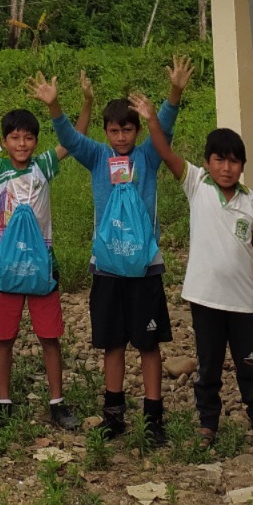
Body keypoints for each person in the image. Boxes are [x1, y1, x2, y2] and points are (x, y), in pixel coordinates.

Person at [37, 58, 190, 446]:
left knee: (150, 343)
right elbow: (70, 139)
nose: (120, 137)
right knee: (113, 342)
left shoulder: (149, 157)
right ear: (105, 133)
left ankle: (153, 418)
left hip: (146, 267)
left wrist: (173, 94)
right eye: (114, 130)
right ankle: (114, 414)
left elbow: (165, 130)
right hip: (106, 266)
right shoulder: (98, 157)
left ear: (137, 131)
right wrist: (56, 107)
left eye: (127, 130)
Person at [0, 79, 81, 431]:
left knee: (49, 336)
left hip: (42, 267)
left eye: (28, 138)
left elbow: (74, 138)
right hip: (6, 268)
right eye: (14, 138)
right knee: (3, 338)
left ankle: (57, 402)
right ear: (4, 142)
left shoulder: (43, 166)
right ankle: (4, 402)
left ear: (35, 141)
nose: (22, 144)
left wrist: (64, 104)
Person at [152, 120, 253, 455]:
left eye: (234, 161)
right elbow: (165, 152)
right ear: (208, 162)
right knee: (208, 364)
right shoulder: (196, 183)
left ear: (242, 166)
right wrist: (152, 119)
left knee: (250, 364)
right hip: (205, 298)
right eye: (219, 160)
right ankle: (207, 422)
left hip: (242, 302)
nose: (226, 168)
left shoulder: (248, 199)